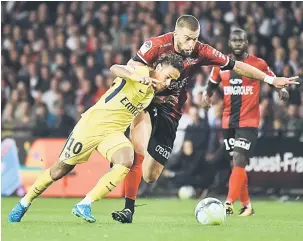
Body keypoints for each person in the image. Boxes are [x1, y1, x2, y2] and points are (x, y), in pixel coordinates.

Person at [111, 15, 299, 224]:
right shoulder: (156, 45)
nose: (192, 44)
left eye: (195, 38)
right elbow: (129, 66)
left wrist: (271, 79)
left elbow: (236, 65)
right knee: (138, 148)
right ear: (176, 34)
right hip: (147, 101)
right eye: (188, 38)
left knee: (151, 175)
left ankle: (133, 163)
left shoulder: (202, 51)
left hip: (171, 111)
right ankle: (128, 209)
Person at [8, 53, 184, 223]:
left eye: (172, 80)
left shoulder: (151, 92)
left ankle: (85, 204)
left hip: (113, 133)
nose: (168, 82)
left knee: (126, 159)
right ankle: (24, 202)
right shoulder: (141, 72)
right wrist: (135, 76)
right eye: (167, 76)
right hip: (91, 126)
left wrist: (162, 102)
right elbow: (115, 68)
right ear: (158, 66)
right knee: (59, 170)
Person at [202, 28, 290, 216]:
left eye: (241, 40)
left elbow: (273, 79)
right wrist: (206, 95)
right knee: (235, 166)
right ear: (229, 43)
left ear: (247, 42)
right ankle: (247, 205)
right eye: (234, 40)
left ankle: (228, 202)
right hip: (227, 122)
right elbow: (211, 84)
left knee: (239, 159)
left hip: (249, 121)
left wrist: (281, 90)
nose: (238, 43)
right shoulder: (221, 64)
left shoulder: (258, 63)